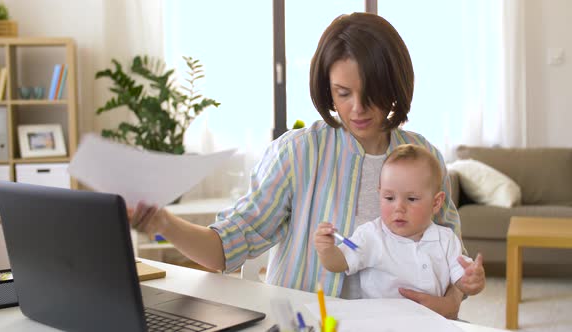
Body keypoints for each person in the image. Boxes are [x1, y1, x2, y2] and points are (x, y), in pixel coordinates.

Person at [130, 12, 485, 319]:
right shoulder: (297, 154)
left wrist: (451, 303)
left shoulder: (424, 155)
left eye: (372, 92)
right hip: (309, 321)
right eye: (343, 93)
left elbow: (454, 255)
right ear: (327, 89)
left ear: (395, 86)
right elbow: (225, 248)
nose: (358, 108)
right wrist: (163, 222)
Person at [315, 144, 484, 300]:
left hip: (431, 322)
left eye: (411, 199)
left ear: (436, 203)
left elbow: (462, 281)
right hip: (380, 322)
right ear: (379, 195)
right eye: (389, 198)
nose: (399, 207)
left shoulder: (446, 240)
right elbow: (339, 263)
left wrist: (472, 281)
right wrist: (327, 250)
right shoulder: (371, 235)